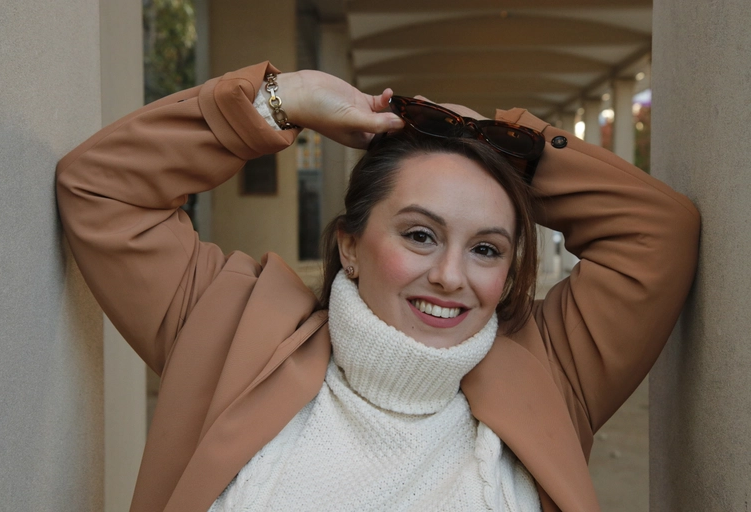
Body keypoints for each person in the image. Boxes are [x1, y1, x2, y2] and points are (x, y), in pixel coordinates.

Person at [56, 62, 700, 512]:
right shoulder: (231, 328)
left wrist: (509, 144)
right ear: (351, 247)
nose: (450, 276)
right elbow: (102, 187)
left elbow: (658, 232)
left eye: (485, 249)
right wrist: (288, 98)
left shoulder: (549, 372)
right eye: (420, 235)